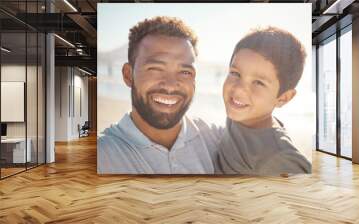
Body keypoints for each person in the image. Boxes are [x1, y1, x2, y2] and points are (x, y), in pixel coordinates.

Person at [97, 16, 221, 174]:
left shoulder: (214, 140)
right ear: (128, 75)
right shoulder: (103, 157)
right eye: (155, 68)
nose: (170, 85)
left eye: (185, 72)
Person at [217, 27, 312, 176]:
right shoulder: (244, 116)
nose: (239, 89)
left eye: (259, 83)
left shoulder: (278, 158)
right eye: (235, 73)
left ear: (283, 98)